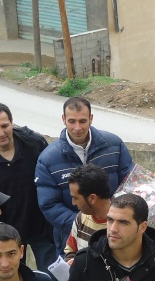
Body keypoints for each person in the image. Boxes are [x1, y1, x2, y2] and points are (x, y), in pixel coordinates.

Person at [36, 96, 134, 256]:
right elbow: (49, 204)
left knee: (119, 279)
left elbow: (130, 182)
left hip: (117, 232)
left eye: (82, 121)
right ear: (63, 119)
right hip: (72, 236)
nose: (77, 127)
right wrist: (80, 224)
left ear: (91, 118)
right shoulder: (48, 159)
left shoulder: (114, 145)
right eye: (72, 121)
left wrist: (114, 220)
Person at [0, 102, 55, 272]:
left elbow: (52, 180)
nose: (1, 133)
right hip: (7, 233)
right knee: (13, 280)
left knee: (52, 278)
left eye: (5, 126)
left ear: (12, 122)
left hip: (43, 228)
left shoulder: (34, 144)